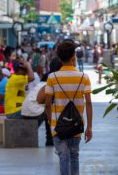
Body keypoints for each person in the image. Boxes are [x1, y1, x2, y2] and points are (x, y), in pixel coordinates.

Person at [44, 40, 93, 175]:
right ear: (73, 57)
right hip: (76, 124)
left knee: (63, 156)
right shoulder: (84, 77)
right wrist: (89, 127)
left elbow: (47, 104)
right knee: (74, 155)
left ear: (59, 58)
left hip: (57, 124)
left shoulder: (52, 77)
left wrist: (50, 121)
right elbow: (88, 103)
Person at [22, 58, 63, 146]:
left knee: (48, 108)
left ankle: (50, 139)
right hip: (32, 112)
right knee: (49, 110)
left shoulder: (47, 76)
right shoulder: (53, 81)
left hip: (26, 110)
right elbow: (49, 104)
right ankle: (50, 140)